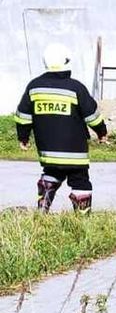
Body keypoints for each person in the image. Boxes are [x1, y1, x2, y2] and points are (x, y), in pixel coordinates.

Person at [14, 42, 108, 212]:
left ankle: (43, 207)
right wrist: (102, 132)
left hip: (48, 150)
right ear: (67, 62)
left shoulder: (34, 87)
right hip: (75, 152)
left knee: (52, 172)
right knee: (80, 180)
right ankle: (82, 218)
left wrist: (23, 137)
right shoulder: (75, 87)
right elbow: (91, 115)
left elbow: (23, 116)